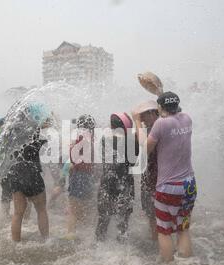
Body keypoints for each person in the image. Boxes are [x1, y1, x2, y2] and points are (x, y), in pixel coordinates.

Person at [133, 92, 197, 263]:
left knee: (164, 231)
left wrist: (137, 121)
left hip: (169, 186)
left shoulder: (161, 124)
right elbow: (173, 109)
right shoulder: (187, 118)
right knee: (183, 229)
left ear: (160, 109)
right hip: (189, 183)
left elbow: (144, 149)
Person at [7, 103, 52, 242]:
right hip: (32, 171)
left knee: (18, 213)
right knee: (41, 209)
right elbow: (50, 124)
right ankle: (45, 241)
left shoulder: (11, 131)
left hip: (16, 171)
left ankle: (16, 243)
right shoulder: (34, 128)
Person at [96, 112, 138, 242]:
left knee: (103, 218)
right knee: (123, 220)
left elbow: (103, 160)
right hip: (125, 184)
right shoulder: (131, 141)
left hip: (106, 184)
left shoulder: (104, 139)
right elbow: (133, 162)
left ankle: (99, 246)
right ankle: (122, 251)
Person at [65, 114, 97, 240]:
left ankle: (70, 235)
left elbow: (74, 156)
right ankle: (84, 236)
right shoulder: (90, 137)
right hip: (87, 175)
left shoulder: (78, 136)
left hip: (78, 175)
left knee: (74, 210)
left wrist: (73, 165)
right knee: (85, 206)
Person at [133, 100, 159, 241]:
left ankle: (160, 246)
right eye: (140, 116)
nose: (141, 119)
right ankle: (160, 244)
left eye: (143, 115)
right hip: (150, 179)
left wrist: (136, 121)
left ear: (152, 113)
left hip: (156, 179)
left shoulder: (157, 128)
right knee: (152, 216)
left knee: (155, 217)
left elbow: (143, 147)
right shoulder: (163, 126)